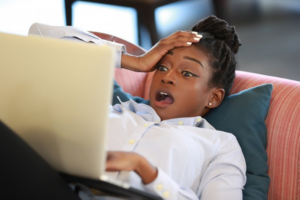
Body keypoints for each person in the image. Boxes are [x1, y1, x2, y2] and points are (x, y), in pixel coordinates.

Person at [0, 15, 246, 200]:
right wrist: (134, 61)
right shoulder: (112, 111)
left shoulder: (220, 145)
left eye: (187, 73)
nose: (167, 77)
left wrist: (146, 171)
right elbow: (40, 36)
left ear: (213, 98)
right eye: (162, 67)